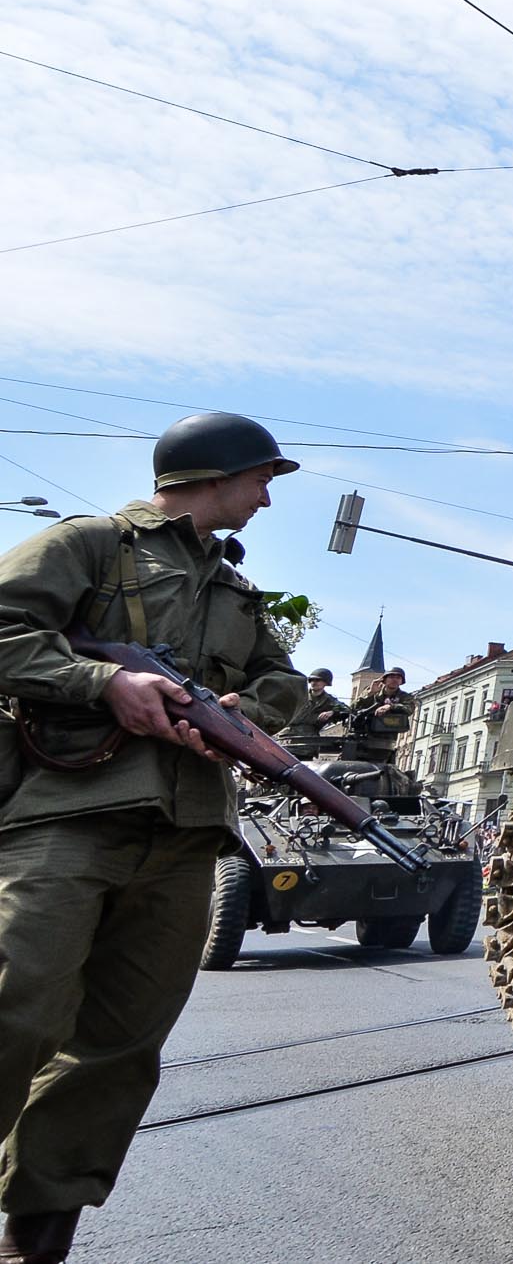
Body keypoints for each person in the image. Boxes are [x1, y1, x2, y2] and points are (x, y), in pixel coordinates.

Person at [0, 412, 306, 1264]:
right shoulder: (91, 544)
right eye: (261, 480)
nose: (267, 498)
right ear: (214, 474)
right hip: (69, 811)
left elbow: (281, 679)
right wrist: (102, 681)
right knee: (14, 1000)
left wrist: (256, 708)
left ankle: (34, 1241)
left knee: (119, 1044)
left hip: (186, 836)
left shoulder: (238, 591)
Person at [282, 666, 348, 751]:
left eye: (317, 680)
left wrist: (332, 712)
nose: (314, 682)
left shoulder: (328, 700)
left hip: (307, 742)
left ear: (325, 683)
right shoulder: (299, 694)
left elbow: (346, 709)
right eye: (312, 680)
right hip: (286, 737)